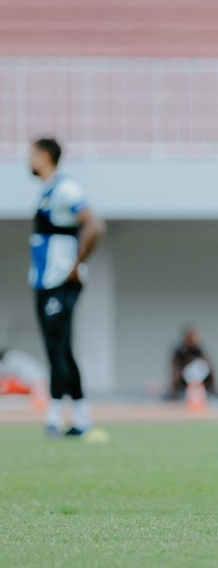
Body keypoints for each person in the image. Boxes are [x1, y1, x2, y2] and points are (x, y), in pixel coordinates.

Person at [28, 138, 106, 437]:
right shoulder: (46, 191)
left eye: (33, 154)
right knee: (60, 349)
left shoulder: (66, 189)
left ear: (45, 156)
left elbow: (95, 225)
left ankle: (55, 415)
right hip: (44, 281)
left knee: (57, 348)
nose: (29, 159)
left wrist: (75, 265)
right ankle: (81, 418)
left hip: (60, 281)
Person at [165, 325, 218, 401]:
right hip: (183, 383)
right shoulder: (180, 352)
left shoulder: (200, 351)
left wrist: (213, 389)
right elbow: (175, 371)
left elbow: (209, 369)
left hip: (200, 383)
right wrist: (174, 390)